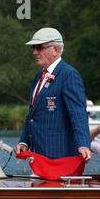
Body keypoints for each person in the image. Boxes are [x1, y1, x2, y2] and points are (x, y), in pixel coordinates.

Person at [14, 27, 91, 163]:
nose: (35, 52)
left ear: (55, 50)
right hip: (38, 157)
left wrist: (83, 144)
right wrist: (24, 142)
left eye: (39, 48)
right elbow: (32, 115)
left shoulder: (69, 74)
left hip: (61, 158)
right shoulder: (39, 76)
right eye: (33, 48)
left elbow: (78, 114)